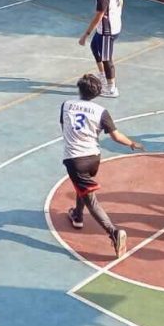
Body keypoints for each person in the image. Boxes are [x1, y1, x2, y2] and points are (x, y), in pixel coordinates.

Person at [60, 74, 143, 257]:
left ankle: (113, 232)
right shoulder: (101, 112)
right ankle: (77, 216)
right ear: (97, 93)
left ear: (79, 88)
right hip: (93, 158)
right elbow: (116, 136)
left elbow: (64, 127)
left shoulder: (66, 105)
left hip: (75, 159)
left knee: (90, 199)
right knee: (82, 186)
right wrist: (131, 143)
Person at [79, 0, 124, 98]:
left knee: (106, 59)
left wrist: (86, 34)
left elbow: (98, 17)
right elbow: (121, 0)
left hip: (107, 31)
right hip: (108, 27)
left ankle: (111, 88)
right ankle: (103, 75)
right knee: (94, 46)